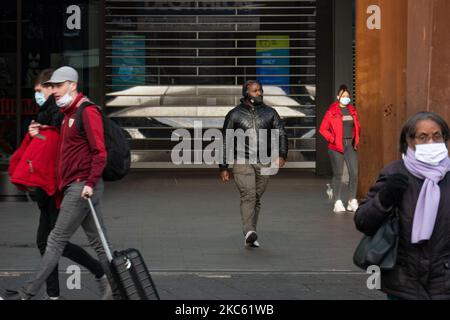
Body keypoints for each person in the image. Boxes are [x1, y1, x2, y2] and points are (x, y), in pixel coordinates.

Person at [2, 66, 118, 300]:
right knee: (98, 242)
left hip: (82, 184)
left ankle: (27, 293)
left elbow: (100, 152)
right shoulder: (68, 114)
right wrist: (42, 130)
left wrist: (90, 182)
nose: (54, 90)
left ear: (72, 85)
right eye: (52, 86)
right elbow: (65, 147)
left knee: (54, 240)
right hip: (76, 185)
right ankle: (115, 285)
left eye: (58, 85)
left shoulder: (87, 111)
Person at [354, 111, 450, 300]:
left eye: (436, 136)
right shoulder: (395, 172)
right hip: (403, 283)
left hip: (444, 282)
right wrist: (385, 197)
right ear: (409, 141)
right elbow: (363, 221)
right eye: (423, 137)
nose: (431, 142)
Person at [219, 80, 288, 248]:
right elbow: (226, 140)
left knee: (256, 198)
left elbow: (281, 134)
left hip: (264, 162)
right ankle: (248, 231)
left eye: (261, 90)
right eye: (256, 91)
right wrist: (224, 166)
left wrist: (282, 154)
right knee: (248, 195)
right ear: (247, 94)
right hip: (241, 161)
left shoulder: (270, 113)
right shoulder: (234, 114)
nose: (260, 93)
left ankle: (252, 234)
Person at [319, 85, 361, 213]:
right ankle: (337, 201)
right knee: (338, 174)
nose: (346, 98)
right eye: (343, 96)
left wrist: (355, 139)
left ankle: (351, 200)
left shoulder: (352, 111)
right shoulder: (332, 111)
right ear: (338, 97)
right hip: (336, 146)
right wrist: (333, 139)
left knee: (354, 173)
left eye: (348, 96)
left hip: (350, 145)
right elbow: (322, 129)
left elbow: (356, 127)